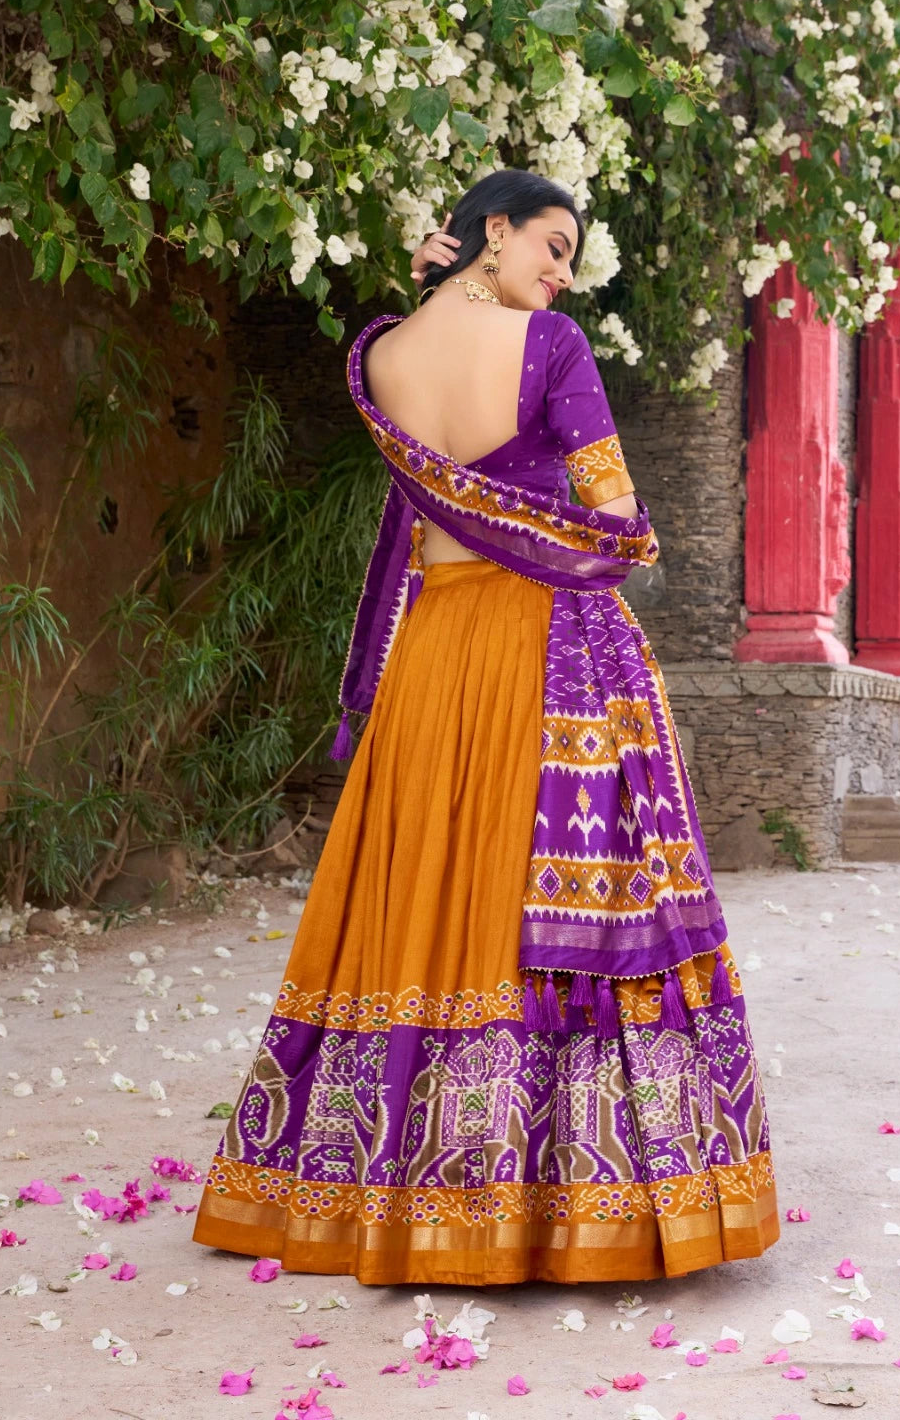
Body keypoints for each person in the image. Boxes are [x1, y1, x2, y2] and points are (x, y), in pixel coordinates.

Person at [191, 169, 780, 1286]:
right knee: (566, 910)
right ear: (493, 231)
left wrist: (445, 285)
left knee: (420, 900)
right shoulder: (550, 348)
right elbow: (612, 519)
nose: (560, 275)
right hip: (545, 653)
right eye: (551, 246)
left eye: (567, 259)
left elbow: (428, 485)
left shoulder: (378, 358)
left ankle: (375, 1187)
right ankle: (558, 1204)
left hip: (433, 659)